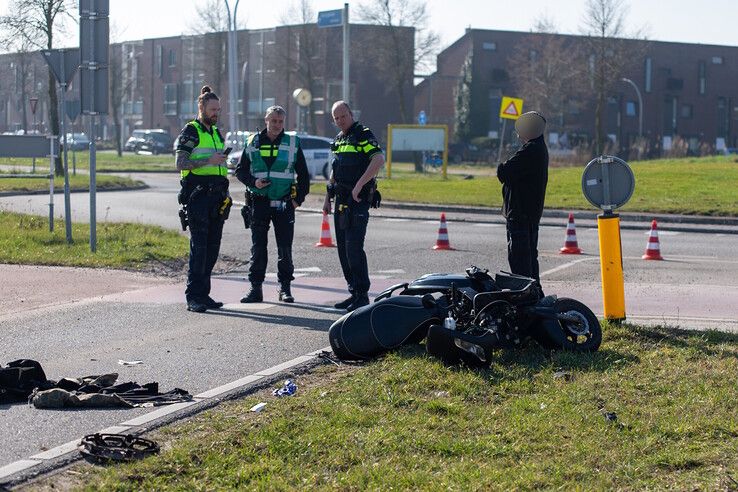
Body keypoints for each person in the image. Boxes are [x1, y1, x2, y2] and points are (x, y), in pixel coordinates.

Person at [235, 105, 310, 303]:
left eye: (280, 121)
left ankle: (285, 289)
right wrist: (253, 182)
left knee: (285, 248)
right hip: (258, 203)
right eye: (273, 121)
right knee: (258, 247)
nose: (277, 125)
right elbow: (240, 170)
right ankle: (255, 288)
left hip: (285, 204)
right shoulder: (252, 142)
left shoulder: (292, 142)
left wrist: (297, 200)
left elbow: (303, 175)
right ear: (266, 120)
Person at [323, 101, 385, 312]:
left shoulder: (362, 133)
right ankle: (354, 293)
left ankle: (362, 295)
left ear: (351, 114)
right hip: (340, 200)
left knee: (353, 248)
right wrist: (327, 197)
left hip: (357, 201)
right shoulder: (339, 139)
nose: (340, 120)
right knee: (343, 250)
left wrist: (359, 186)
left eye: (343, 116)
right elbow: (336, 168)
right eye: (336, 118)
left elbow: (378, 159)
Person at [175, 85, 232, 313]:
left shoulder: (216, 132)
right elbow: (180, 163)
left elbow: (219, 164)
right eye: (212, 109)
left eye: (218, 109)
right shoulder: (191, 130)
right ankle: (193, 296)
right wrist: (209, 161)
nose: (216, 113)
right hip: (198, 196)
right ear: (201, 108)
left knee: (212, 249)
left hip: (217, 197)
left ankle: (204, 294)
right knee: (199, 248)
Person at [496, 111, 548, 283]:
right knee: (530, 258)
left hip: (520, 214)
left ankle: (526, 299)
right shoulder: (539, 148)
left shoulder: (531, 150)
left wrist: (502, 165)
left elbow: (504, 172)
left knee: (520, 261)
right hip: (530, 214)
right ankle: (535, 296)